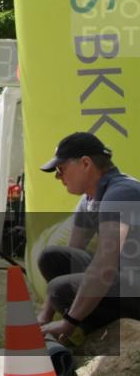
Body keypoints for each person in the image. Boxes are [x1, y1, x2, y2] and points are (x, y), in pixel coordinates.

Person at [37, 132, 140, 340]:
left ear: (85, 163)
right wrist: (44, 317)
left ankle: (107, 337)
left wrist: (69, 322)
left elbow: (104, 264)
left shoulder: (122, 193)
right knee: (52, 257)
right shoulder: (91, 198)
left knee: (61, 288)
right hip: (129, 279)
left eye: (61, 169)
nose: (58, 177)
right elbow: (73, 252)